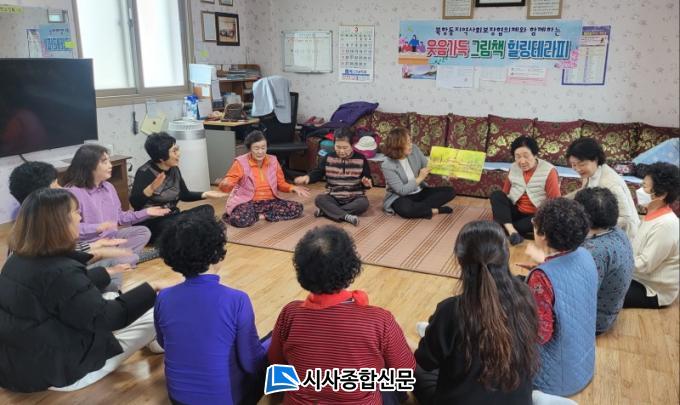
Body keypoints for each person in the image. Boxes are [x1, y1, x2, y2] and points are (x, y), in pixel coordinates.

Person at [0, 188, 170, 392]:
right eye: (75, 212)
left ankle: (154, 339)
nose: (80, 218)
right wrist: (152, 288)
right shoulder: (61, 272)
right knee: (156, 310)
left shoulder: (16, 259)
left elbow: (63, 292)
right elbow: (112, 317)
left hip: (21, 368)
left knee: (110, 295)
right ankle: (157, 342)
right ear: (58, 223)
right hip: (65, 371)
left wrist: (104, 268)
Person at [268, 225, 416, 404]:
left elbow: (276, 362)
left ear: (301, 270)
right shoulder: (380, 320)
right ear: (351, 266)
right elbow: (405, 370)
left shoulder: (290, 313)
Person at [414, 220, 538, 405]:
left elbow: (425, 361)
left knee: (414, 372)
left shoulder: (451, 311)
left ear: (459, 260)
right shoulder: (526, 296)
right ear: (505, 255)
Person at [154, 214, 268, 405]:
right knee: (272, 343)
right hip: (228, 400)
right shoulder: (236, 300)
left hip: (177, 399)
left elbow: (163, 342)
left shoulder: (163, 297)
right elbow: (251, 363)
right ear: (217, 252)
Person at [8, 161, 135, 282]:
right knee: (114, 268)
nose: (62, 189)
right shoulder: (43, 230)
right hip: (63, 286)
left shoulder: (25, 224)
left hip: (63, 279)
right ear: (44, 196)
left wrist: (94, 246)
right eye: (56, 185)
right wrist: (100, 257)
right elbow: (64, 271)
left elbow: (62, 253)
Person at [524, 198, 598, 396]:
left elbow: (540, 335)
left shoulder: (541, 278)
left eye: (534, 224)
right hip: (582, 363)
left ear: (543, 235)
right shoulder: (585, 255)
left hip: (556, 378)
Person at [62, 144, 169, 268]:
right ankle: (124, 260)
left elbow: (120, 217)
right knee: (125, 255)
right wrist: (98, 227)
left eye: (109, 161)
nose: (110, 165)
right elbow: (69, 229)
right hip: (90, 246)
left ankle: (116, 261)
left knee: (142, 232)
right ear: (89, 166)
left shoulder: (109, 187)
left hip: (111, 239)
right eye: (104, 162)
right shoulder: (72, 192)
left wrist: (147, 212)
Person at [130, 132, 225, 243]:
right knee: (175, 224)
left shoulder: (174, 168)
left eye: (177, 149)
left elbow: (184, 195)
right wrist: (151, 188)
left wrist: (206, 194)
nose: (179, 154)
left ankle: (185, 234)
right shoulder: (144, 172)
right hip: (151, 223)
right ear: (161, 158)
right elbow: (135, 203)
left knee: (207, 209)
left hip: (173, 216)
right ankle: (186, 234)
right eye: (174, 151)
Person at [219, 130, 310, 228]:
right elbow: (229, 181)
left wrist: (292, 188)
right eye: (256, 148)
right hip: (248, 202)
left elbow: (281, 184)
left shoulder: (273, 160)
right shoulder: (240, 162)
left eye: (263, 148)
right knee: (239, 219)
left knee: (297, 208)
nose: (260, 152)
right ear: (250, 149)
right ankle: (260, 215)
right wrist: (225, 184)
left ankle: (259, 216)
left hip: (269, 201)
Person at [575, 187, 634, 333]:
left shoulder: (594, 252)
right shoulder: (616, 231)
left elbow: (578, 296)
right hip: (608, 311)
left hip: (593, 321)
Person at [624, 162, 680, 309]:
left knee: (602, 291)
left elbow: (645, 265)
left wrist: (617, 263)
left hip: (652, 289)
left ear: (661, 194)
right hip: (638, 277)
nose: (639, 191)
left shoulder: (666, 225)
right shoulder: (651, 215)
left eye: (645, 187)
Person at [489, 136, 560, 245]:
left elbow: (555, 202)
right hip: (516, 210)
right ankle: (512, 231)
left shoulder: (549, 171)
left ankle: (506, 227)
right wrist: (502, 209)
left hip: (536, 215)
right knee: (496, 195)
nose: (522, 161)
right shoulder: (513, 167)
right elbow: (505, 193)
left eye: (526, 156)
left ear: (535, 154)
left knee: (533, 222)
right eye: (517, 157)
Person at [294, 127, 372, 226]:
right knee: (319, 199)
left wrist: (367, 184)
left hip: (354, 197)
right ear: (334, 144)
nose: (341, 151)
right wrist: (308, 177)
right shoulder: (328, 157)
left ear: (352, 145)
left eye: (345, 148)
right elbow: (318, 172)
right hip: (333, 196)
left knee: (363, 204)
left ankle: (327, 212)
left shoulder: (361, 159)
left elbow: (367, 179)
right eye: (338, 147)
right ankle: (345, 216)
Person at [565, 137, 639, 240]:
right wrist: (561, 200)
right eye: (573, 165)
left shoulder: (610, 183)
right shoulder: (590, 173)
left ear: (595, 159)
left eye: (582, 164)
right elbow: (583, 191)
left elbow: (625, 218)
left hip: (621, 235)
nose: (577, 169)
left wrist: (596, 229)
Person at [381, 127, 455, 219]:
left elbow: (428, 167)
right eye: (407, 143)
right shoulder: (387, 165)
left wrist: (446, 175)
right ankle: (434, 210)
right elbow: (401, 191)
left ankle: (419, 209)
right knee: (405, 209)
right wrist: (419, 178)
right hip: (400, 197)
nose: (411, 145)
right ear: (397, 147)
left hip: (420, 192)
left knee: (450, 192)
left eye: (410, 141)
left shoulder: (414, 149)